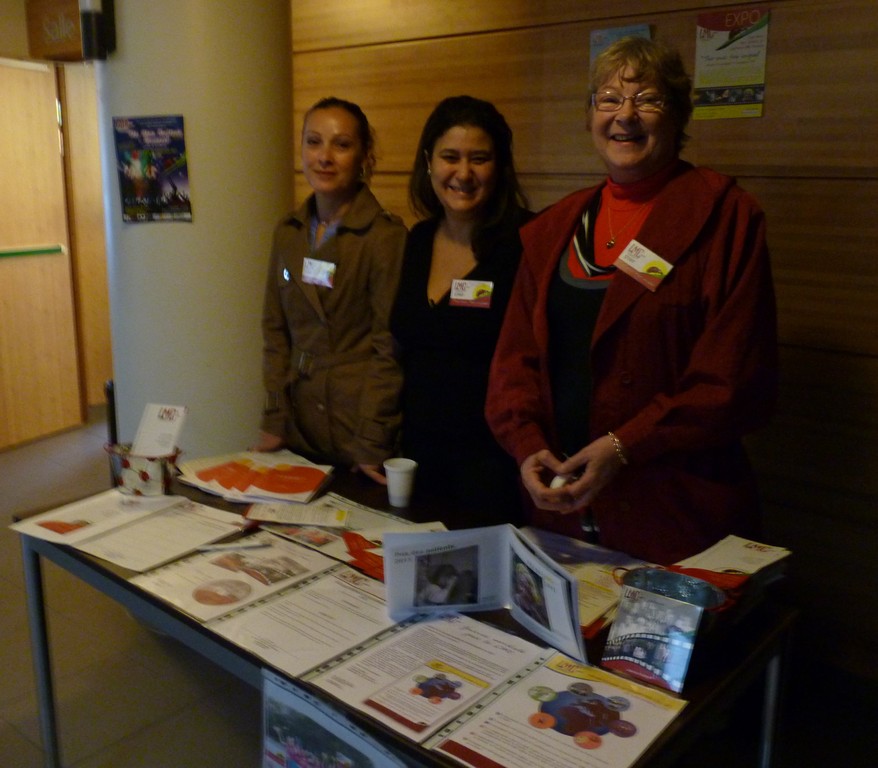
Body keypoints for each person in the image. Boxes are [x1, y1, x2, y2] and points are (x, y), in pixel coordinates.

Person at [485, 37, 778, 564]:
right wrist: (526, 445)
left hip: (677, 518)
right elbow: (515, 364)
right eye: (608, 99)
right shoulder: (552, 230)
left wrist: (625, 446)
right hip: (561, 511)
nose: (626, 115)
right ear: (590, 114)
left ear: (678, 114)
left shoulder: (727, 218)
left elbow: (733, 382)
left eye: (647, 99)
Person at [390, 95, 531, 525]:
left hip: (492, 467)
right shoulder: (417, 239)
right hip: (415, 460)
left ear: (500, 166)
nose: (463, 174)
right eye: (450, 157)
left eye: (480, 159)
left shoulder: (526, 242)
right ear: (429, 162)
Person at [256, 97, 406, 483]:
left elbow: (389, 346)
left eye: (341, 145)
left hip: (356, 426)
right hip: (298, 423)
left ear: (364, 156)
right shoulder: (288, 232)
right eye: (313, 142)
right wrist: (274, 417)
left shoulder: (384, 236)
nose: (324, 157)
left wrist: (373, 437)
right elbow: (275, 333)